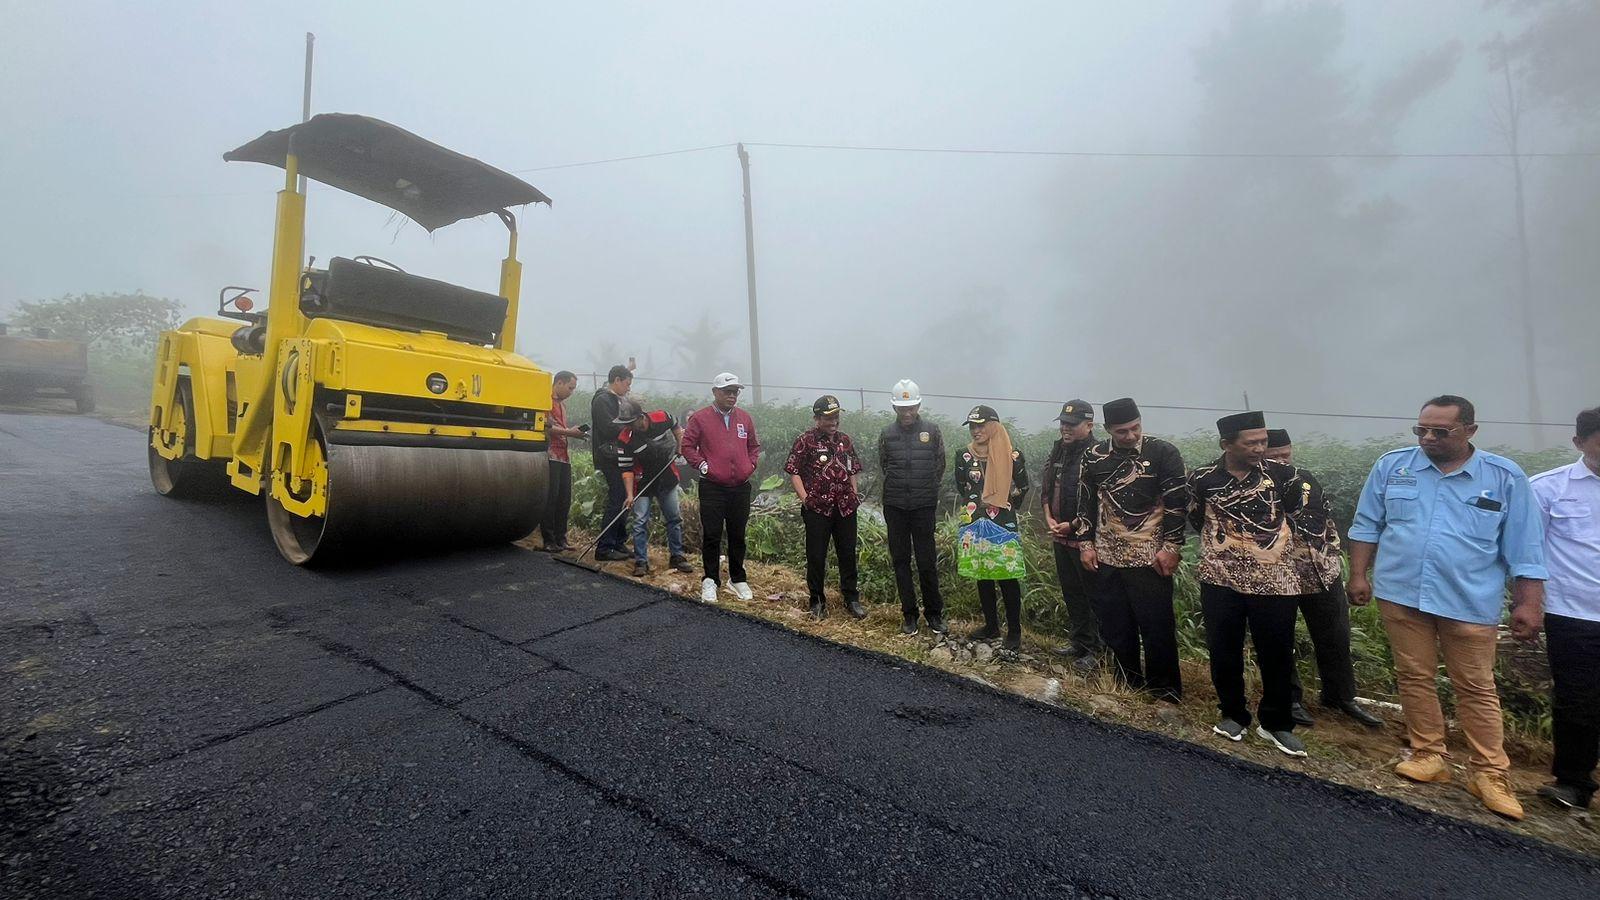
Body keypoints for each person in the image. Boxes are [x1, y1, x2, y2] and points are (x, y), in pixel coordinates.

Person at [1347, 395, 1547, 821]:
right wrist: (1359, 575)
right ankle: (1428, 755)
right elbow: (1367, 525)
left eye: (1441, 431)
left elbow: (1526, 548)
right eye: (1422, 430)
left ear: (1470, 431)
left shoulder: (1504, 477)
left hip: (1469, 600)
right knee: (1414, 675)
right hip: (1401, 593)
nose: (1428, 438)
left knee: (1476, 686)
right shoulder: (1393, 466)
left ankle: (1490, 773)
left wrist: (1529, 603)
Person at [1188, 412, 1308, 757]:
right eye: (1250, 442)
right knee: (1224, 648)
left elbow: (1297, 519)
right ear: (1227, 444)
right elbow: (1198, 518)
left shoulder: (1284, 476)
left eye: (1263, 442)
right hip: (1220, 578)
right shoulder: (1203, 478)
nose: (1260, 448)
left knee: (1277, 652)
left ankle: (1277, 723)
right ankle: (1233, 715)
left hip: (1274, 581)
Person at [1264, 429, 1383, 730]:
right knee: (1280, 640)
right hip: (1278, 573)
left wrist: (1332, 556)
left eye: (1285, 455)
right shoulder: (1253, 486)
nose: (1281, 461)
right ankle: (1289, 699)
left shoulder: (1304, 478)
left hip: (1321, 569)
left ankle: (1341, 697)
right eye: (1274, 456)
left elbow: (1325, 518)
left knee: (1335, 635)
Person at [1073, 397, 1188, 702]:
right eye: (1122, 431)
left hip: (1150, 557)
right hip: (1107, 556)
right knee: (1116, 624)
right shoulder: (1094, 456)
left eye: (1135, 428)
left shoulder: (1163, 453)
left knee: (1157, 626)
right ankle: (1127, 683)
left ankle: (1164, 691)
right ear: (1108, 429)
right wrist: (1086, 544)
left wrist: (1172, 547)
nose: (1131, 435)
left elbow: (1178, 504)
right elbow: (1084, 502)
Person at [1530, 406, 1600, 811]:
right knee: (1578, 702)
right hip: (1574, 615)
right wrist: (1530, 605)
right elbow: (1527, 553)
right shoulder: (1546, 489)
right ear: (1579, 443)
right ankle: (1573, 782)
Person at [954, 406, 1030, 651]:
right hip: (975, 521)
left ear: (994, 426)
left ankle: (1015, 630)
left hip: (1003, 524)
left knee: (1007, 575)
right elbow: (962, 486)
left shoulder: (1013, 456)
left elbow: (1023, 487)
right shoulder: (963, 455)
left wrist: (1001, 501)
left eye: (981, 425)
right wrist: (978, 504)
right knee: (982, 574)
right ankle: (991, 626)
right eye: (973, 426)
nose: (976, 431)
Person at [681, 372, 761, 604]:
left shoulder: (744, 418)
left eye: (735, 391)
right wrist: (703, 465)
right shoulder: (700, 418)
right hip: (713, 486)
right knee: (713, 534)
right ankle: (710, 580)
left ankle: (737, 578)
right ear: (715, 392)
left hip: (740, 486)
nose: (732, 395)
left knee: (738, 534)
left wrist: (750, 465)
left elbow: (754, 446)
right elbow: (688, 446)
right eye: (727, 391)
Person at [785, 395, 865, 620]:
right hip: (818, 509)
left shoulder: (845, 440)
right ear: (817, 418)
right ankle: (817, 600)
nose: (833, 421)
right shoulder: (806, 440)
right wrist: (805, 499)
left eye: (836, 416)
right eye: (828, 417)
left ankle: (851, 598)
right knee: (816, 556)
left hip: (845, 508)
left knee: (847, 554)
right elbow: (794, 470)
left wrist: (854, 493)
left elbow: (853, 469)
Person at [879, 379, 947, 635]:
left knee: (927, 561)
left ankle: (934, 614)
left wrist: (925, 488)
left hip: (923, 506)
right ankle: (909, 614)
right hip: (895, 505)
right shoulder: (887, 433)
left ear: (918, 405)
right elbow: (885, 465)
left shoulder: (932, 430)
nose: (907, 413)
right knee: (900, 561)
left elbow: (939, 466)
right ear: (894, 408)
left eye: (911, 408)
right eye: (901, 408)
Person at [1040, 400, 1102, 668]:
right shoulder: (1059, 450)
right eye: (1063, 423)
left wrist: (1074, 524)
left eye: (1072, 424)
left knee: (1093, 594)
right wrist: (1048, 516)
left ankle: (1097, 649)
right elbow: (1046, 487)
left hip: (1085, 537)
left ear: (1089, 425)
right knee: (1071, 591)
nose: (1065, 428)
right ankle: (1079, 641)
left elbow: (1099, 501)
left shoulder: (1097, 454)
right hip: (1060, 534)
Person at [614, 398, 695, 578]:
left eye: (630, 422)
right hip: (642, 481)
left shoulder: (661, 417)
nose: (627, 426)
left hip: (666, 475)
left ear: (641, 417)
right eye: (625, 423)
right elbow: (626, 470)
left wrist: (680, 446)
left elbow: (676, 426)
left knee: (673, 518)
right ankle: (641, 561)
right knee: (640, 521)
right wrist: (629, 495)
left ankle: (677, 556)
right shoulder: (625, 438)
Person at [589, 365, 634, 561]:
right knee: (617, 498)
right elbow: (609, 428)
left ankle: (618, 542)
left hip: (620, 456)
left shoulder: (616, 399)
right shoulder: (602, 400)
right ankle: (604, 548)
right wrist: (631, 426)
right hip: (609, 457)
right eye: (626, 384)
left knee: (624, 498)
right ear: (616, 380)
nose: (628, 388)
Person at [539, 371, 587, 552]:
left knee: (563, 498)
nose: (571, 392)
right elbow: (545, 426)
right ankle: (549, 540)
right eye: (570, 388)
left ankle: (561, 538)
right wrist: (570, 432)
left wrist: (573, 434)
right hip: (550, 454)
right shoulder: (545, 400)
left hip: (563, 455)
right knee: (551, 498)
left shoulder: (562, 405)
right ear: (559, 382)